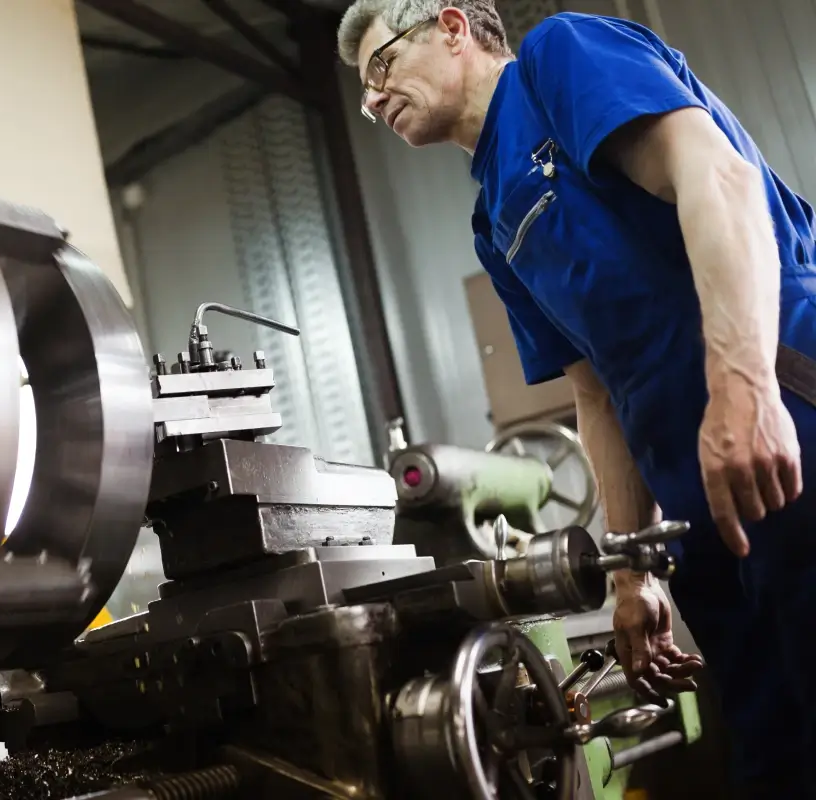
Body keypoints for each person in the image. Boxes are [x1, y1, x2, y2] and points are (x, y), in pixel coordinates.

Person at [337, 1, 816, 795]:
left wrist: (743, 383)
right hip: (697, 493)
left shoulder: (560, 58)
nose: (374, 100)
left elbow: (716, 176)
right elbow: (596, 398)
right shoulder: (493, 220)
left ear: (453, 27)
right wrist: (633, 571)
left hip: (786, 398)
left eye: (382, 67)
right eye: (362, 92)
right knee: (773, 745)